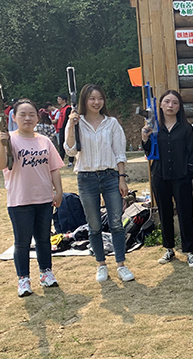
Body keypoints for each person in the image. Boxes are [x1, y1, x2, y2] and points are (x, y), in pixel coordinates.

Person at [0, 99, 65, 297]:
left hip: (43, 198)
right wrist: (1, 143)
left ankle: (46, 272)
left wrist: (58, 191)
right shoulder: (9, 140)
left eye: (31, 114)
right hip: (20, 199)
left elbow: (54, 168)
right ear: (14, 118)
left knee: (43, 239)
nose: (27, 118)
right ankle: (23, 279)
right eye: (22, 114)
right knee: (22, 242)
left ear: (37, 117)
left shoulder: (44, 141)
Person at [64, 84, 134, 283]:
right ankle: (101, 264)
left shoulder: (111, 123)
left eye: (100, 98)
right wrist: (71, 125)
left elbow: (119, 153)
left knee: (116, 223)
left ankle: (121, 264)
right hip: (86, 178)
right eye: (92, 98)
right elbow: (70, 151)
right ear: (84, 100)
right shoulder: (76, 122)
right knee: (94, 225)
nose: (96, 102)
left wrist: (122, 178)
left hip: (110, 176)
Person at [142, 90, 193, 268]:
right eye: (167, 102)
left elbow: (192, 154)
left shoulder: (186, 128)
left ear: (179, 107)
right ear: (160, 105)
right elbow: (149, 152)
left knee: (185, 213)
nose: (170, 106)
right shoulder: (154, 128)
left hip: (181, 177)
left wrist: (189, 174)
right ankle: (168, 248)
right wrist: (145, 138)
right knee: (164, 213)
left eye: (175, 102)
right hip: (160, 176)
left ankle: (190, 251)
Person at [56, 95, 73, 167]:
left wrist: (66, 128)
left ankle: (70, 161)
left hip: (66, 129)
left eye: (59, 99)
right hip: (60, 128)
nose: (58, 100)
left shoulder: (68, 108)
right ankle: (61, 161)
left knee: (68, 144)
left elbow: (67, 119)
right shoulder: (61, 108)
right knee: (61, 145)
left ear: (64, 100)